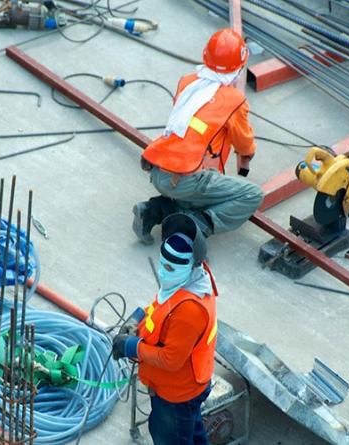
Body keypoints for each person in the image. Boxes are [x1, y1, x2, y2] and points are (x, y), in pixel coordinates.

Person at [132, 28, 264, 244]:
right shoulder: (234, 100)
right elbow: (243, 143)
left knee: (199, 190)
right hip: (186, 177)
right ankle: (195, 225)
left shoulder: (188, 82)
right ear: (239, 67)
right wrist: (247, 155)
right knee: (251, 195)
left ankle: (152, 211)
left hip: (157, 168)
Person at [113, 213, 218, 445]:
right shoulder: (185, 282)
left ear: (190, 266)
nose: (163, 272)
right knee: (192, 433)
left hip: (177, 394)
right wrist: (136, 319)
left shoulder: (190, 310)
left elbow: (171, 359)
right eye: (162, 264)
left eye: (170, 268)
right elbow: (160, 307)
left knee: (169, 436)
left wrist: (131, 346)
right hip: (184, 388)